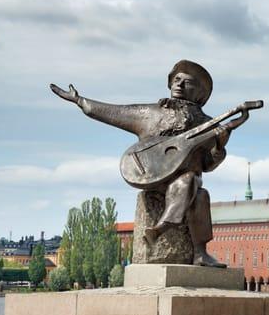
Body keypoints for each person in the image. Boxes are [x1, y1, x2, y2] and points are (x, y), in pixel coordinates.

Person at [50, 60, 229, 267]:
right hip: (152, 177)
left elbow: (208, 165)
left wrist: (218, 148)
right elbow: (112, 112)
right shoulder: (150, 114)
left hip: (187, 183)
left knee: (198, 192)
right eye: (176, 80)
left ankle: (198, 252)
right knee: (189, 182)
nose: (179, 85)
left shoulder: (207, 124)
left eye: (187, 83)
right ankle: (176, 235)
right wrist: (80, 100)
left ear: (200, 94)